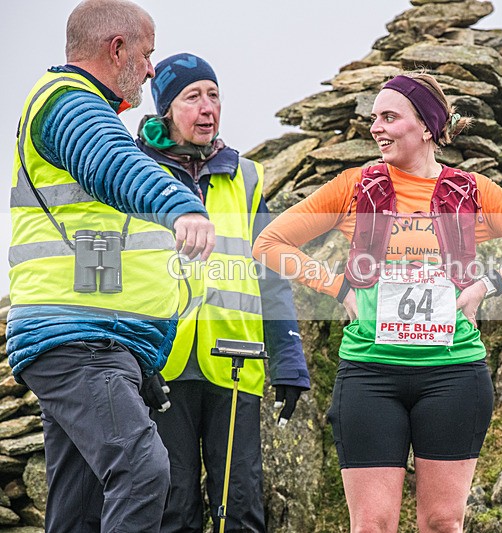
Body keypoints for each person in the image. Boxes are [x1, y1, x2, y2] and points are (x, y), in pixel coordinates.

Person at [253, 72, 502, 532]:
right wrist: (337, 288)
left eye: (389, 116)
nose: (376, 128)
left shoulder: (472, 191)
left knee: (443, 522)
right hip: (370, 373)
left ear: (426, 125)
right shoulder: (354, 185)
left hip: (454, 373)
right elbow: (269, 243)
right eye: (373, 119)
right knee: (373, 525)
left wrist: (489, 285)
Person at [6, 1, 219, 532]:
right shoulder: (67, 104)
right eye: (147, 53)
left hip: (99, 340)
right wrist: (180, 205)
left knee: (79, 511)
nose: (151, 68)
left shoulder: (93, 112)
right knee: (144, 471)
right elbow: (109, 163)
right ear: (116, 48)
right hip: (78, 341)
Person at [135, 52, 310, 532]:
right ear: (166, 108)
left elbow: (272, 275)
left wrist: (289, 359)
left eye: (214, 95)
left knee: (240, 504)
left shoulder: (247, 178)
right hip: (159, 365)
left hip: (235, 363)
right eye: (193, 96)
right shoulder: (132, 173)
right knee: (172, 506)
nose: (208, 106)